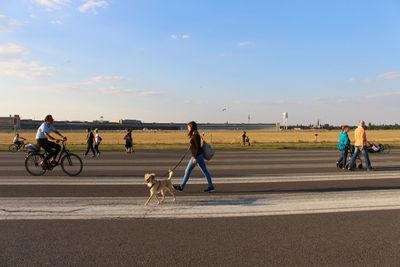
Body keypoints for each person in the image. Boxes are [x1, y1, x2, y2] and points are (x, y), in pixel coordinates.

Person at [174, 121, 215, 192]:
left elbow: (198, 147)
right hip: (199, 156)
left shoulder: (195, 135)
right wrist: (191, 147)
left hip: (197, 156)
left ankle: (181, 187)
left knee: (187, 171)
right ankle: (211, 186)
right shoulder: (195, 134)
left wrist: (195, 158)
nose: (188, 128)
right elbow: (196, 146)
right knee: (205, 171)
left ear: (192, 127)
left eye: (188, 127)